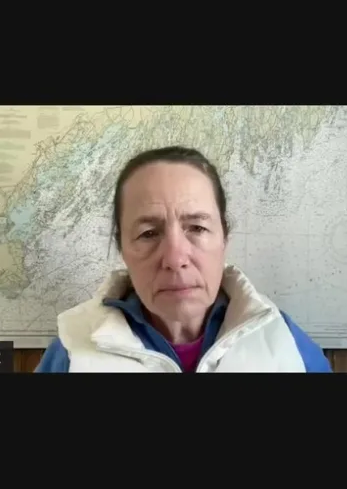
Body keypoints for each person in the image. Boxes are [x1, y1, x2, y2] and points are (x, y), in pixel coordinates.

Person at [35, 146, 331, 373]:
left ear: (224, 238)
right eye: (148, 233)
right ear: (121, 246)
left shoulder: (286, 344)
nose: (175, 259)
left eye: (197, 228)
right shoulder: (72, 351)